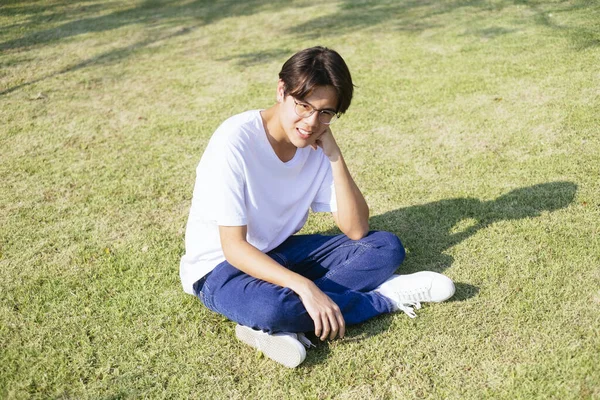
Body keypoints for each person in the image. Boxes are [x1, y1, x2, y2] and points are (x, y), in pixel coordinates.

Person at [180, 46, 455, 368]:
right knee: (273, 309)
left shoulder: (316, 141)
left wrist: (334, 155)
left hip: (279, 251)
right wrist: (305, 287)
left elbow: (356, 230)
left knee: (385, 246)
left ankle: (285, 326)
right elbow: (234, 248)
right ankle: (384, 297)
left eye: (326, 112)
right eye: (303, 106)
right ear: (281, 90)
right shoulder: (235, 141)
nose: (311, 122)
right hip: (220, 270)